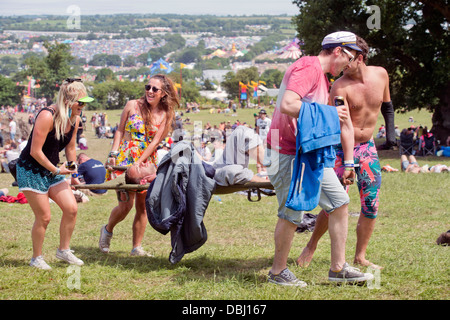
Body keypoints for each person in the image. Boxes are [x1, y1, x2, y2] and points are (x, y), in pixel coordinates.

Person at [266, 31, 372, 286]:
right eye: (350, 57)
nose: (349, 65)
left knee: (339, 202)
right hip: (287, 152)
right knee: (292, 211)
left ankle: (338, 269)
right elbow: (288, 104)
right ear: (338, 51)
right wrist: (329, 113)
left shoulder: (322, 78)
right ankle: (278, 272)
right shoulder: (307, 66)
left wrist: (347, 161)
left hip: (306, 154)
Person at [297, 36, 392, 270]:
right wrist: (348, 162)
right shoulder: (339, 86)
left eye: (347, 60)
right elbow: (343, 126)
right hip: (340, 148)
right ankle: (311, 245)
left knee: (371, 203)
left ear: (359, 58)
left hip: (368, 148)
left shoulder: (381, 74)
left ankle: (360, 256)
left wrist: (391, 137)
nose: (341, 65)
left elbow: (387, 106)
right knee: (335, 203)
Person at [16, 78, 94, 270]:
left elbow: (71, 147)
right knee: (44, 217)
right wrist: (57, 170)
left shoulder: (75, 119)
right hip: (31, 170)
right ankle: (37, 258)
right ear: (68, 101)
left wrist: (73, 168)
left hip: (52, 170)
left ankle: (63, 250)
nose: (83, 107)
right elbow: (35, 151)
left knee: (71, 208)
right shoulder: (47, 116)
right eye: (80, 102)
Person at [99, 74, 177, 256]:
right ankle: (108, 230)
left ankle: (136, 247)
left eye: (154, 89)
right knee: (125, 206)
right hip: (125, 158)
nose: (149, 91)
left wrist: (140, 162)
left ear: (163, 94)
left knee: (142, 206)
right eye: (147, 87)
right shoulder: (132, 105)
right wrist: (113, 153)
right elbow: (119, 130)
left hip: (146, 162)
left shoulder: (165, 114)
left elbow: (155, 143)